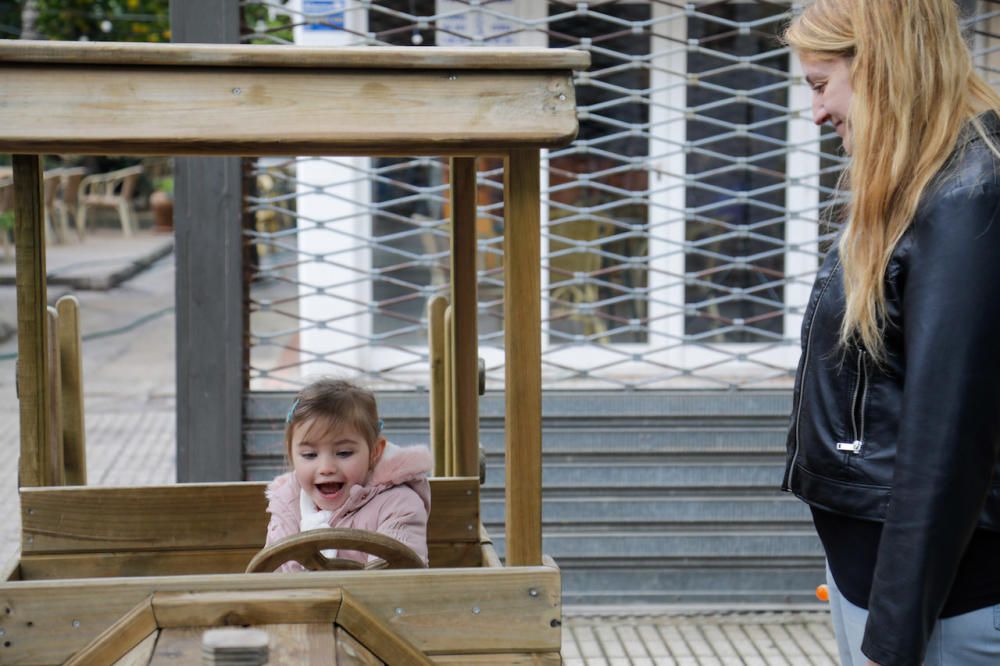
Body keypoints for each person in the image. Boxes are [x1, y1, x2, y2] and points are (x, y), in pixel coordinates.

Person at [781, 1, 1000, 665]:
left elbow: (947, 445)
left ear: (881, 69)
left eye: (821, 84)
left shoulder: (969, 197)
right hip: (890, 591)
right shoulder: (926, 182)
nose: (817, 113)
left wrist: (892, 643)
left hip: (936, 611)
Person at [265, 378, 432, 572]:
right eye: (309, 455)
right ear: (291, 454)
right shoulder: (288, 504)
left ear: (374, 452)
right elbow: (273, 576)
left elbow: (396, 576)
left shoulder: (398, 504)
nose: (326, 468)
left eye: (344, 453)